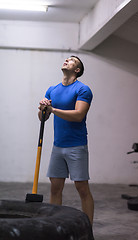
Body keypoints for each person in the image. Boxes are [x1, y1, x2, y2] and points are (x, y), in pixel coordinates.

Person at [38, 56, 94, 224]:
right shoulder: (52, 89)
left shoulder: (83, 89)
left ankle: (88, 228)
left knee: (82, 188)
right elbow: (43, 118)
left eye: (71, 60)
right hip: (58, 146)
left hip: (76, 146)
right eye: (66, 59)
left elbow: (78, 115)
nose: (66, 60)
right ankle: (55, 226)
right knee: (55, 187)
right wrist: (43, 108)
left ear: (77, 70)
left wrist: (53, 109)